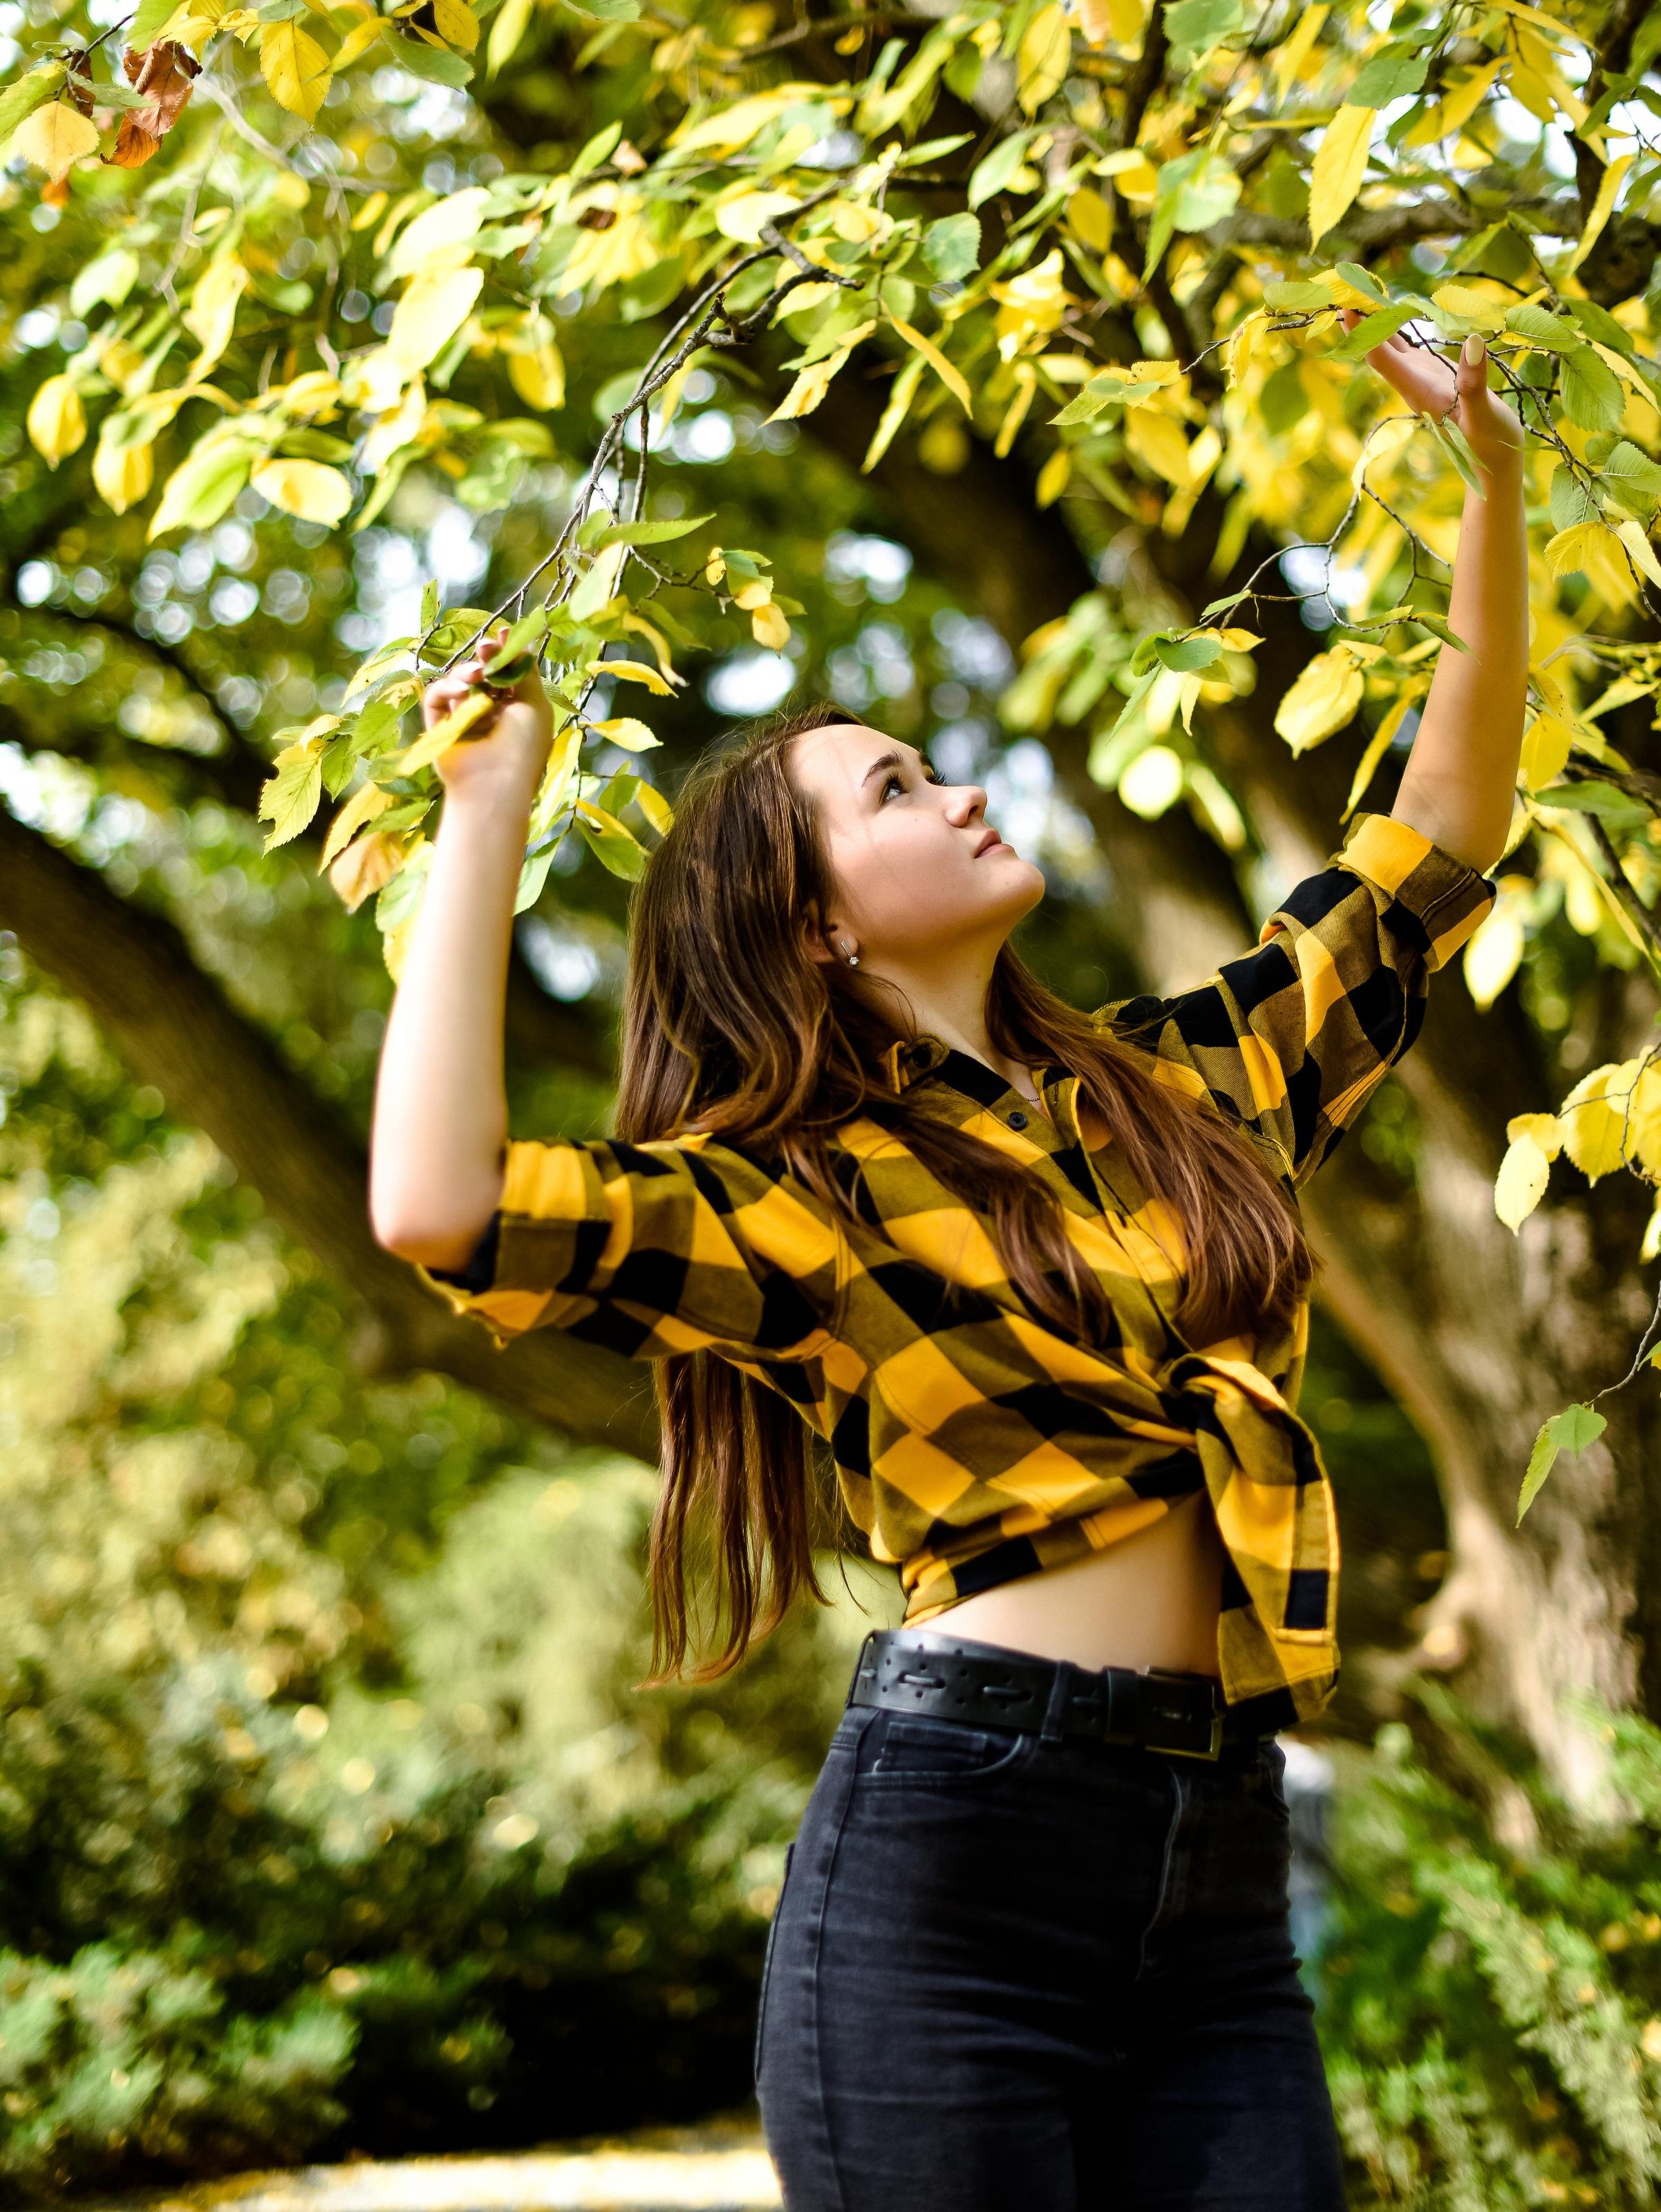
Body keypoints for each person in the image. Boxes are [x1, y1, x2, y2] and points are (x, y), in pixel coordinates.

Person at [369, 325, 1525, 2211]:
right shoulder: (792, 1195)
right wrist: (482, 815)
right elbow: (442, 1210)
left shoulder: (1183, 1086)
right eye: (897, 790)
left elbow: (1429, 845)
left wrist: (1483, 481)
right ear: (813, 925)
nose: (962, 790)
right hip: (955, 1878)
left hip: (1218, 1865)